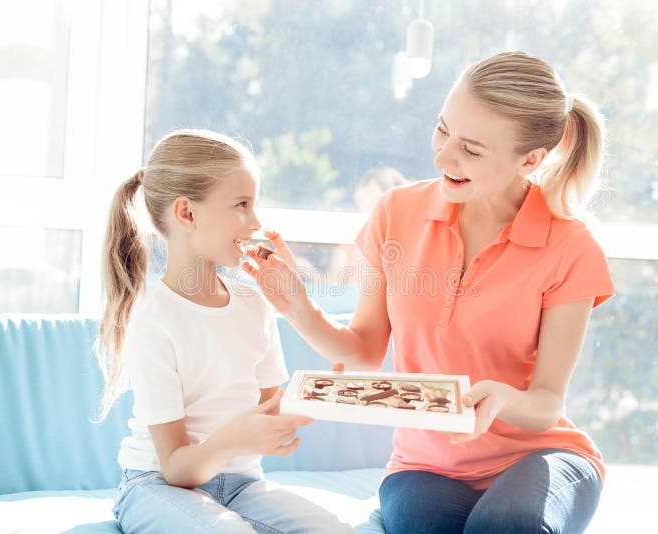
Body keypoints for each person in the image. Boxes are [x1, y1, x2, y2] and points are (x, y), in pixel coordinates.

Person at [244, 51, 614, 534]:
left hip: (538, 455)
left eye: (472, 149)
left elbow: (547, 401)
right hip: (425, 465)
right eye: (443, 129)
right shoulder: (396, 212)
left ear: (531, 160)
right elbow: (363, 354)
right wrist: (297, 305)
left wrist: (502, 398)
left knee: (507, 525)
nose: (442, 156)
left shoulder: (571, 246)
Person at [95, 129, 352, 533]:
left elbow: (270, 409)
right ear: (187, 214)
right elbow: (177, 467)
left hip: (241, 485)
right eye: (241, 205)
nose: (256, 222)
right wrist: (233, 439)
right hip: (158, 484)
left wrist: (319, 398)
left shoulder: (253, 305)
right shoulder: (154, 321)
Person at [327, 167, 409, 286]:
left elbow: (333, 283)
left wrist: (306, 268)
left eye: (371, 191)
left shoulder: (350, 234)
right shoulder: (403, 238)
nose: (362, 195)